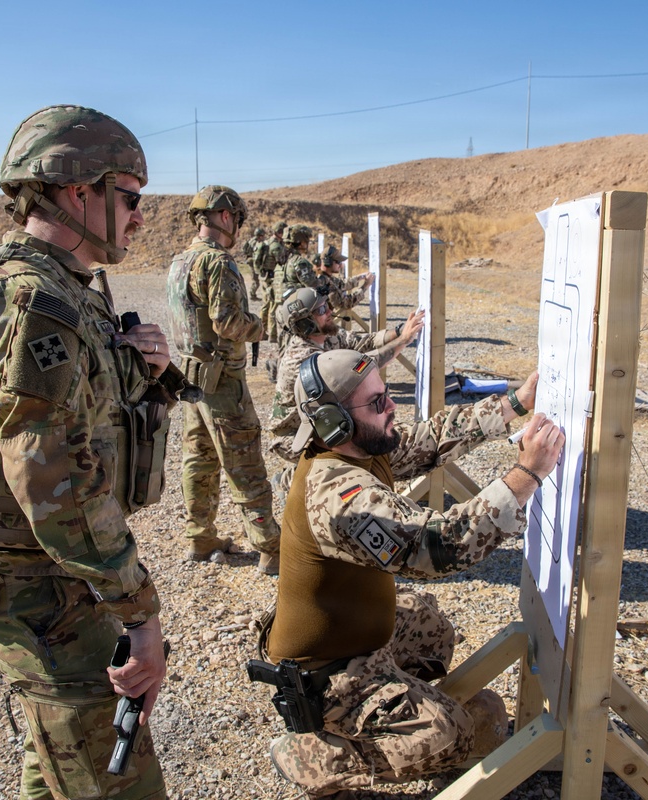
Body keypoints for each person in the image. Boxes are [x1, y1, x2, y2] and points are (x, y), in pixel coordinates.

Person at [0, 105, 173, 799]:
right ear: (77, 190)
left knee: (60, 759)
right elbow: (47, 469)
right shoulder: (32, 299)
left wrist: (142, 367)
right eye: (131, 197)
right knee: (113, 776)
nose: (142, 217)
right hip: (37, 578)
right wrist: (138, 610)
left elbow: (74, 408)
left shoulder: (58, 288)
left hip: (48, 568)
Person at [259, 349, 564, 799]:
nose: (391, 407)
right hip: (324, 670)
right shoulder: (337, 496)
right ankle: (312, 755)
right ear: (333, 421)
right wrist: (526, 475)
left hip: (351, 635)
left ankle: (382, 710)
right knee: (451, 734)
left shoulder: (358, 444)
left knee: (430, 629)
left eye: (385, 395)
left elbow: (430, 438)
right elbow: (438, 545)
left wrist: (516, 402)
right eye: (377, 402)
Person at [166, 185, 281, 574]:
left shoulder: (180, 262)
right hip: (223, 382)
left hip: (192, 380)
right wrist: (260, 326)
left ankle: (200, 538)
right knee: (244, 459)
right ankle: (269, 546)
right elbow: (228, 323)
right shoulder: (219, 263)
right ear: (227, 217)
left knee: (198, 460)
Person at [267, 288, 424, 496]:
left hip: (317, 423)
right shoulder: (302, 358)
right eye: (322, 309)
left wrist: (399, 330)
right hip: (293, 435)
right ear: (305, 323)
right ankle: (292, 481)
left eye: (327, 305)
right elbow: (362, 369)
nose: (330, 310)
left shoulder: (328, 337)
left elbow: (364, 342)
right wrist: (403, 340)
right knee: (355, 443)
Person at [256, 220, 289, 345]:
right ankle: (272, 334)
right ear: (279, 232)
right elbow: (282, 260)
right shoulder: (275, 245)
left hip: (266, 277)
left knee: (266, 305)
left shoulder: (270, 242)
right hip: (271, 278)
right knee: (272, 305)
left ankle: (263, 332)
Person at [316, 244, 374, 313]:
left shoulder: (326, 277)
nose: (340, 265)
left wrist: (360, 277)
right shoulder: (324, 283)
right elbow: (346, 303)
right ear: (328, 262)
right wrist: (365, 286)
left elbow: (342, 284)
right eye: (338, 262)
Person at [281, 224, 318, 296]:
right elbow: (312, 284)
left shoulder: (287, 257)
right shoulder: (299, 262)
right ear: (302, 243)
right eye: (307, 241)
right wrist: (325, 279)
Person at [241, 226, 266, 302]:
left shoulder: (251, 240)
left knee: (256, 279)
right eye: (262, 236)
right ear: (260, 235)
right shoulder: (256, 242)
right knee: (256, 281)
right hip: (253, 261)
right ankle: (252, 295)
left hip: (251, 260)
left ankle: (253, 294)